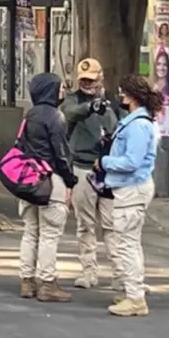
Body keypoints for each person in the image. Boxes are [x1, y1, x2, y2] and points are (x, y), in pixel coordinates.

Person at [97, 74, 161, 317]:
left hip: (131, 187)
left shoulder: (137, 125)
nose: (120, 97)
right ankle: (131, 291)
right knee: (129, 242)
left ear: (132, 96)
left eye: (123, 93)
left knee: (127, 244)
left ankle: (135, 297)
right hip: (132, 186)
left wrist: (104, 162)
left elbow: (131, 161)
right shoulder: (141, 122)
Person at [16, 72, 78, 303]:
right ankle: (48, 283)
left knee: (31, 231)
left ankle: (27, 280)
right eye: (60, 87)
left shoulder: (29, 115)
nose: (63, 91)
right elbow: (61, 154)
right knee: (50, 234)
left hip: (28, 180)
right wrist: (70, 181)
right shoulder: (55, 117)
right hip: (51, 181)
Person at [60, 58, 119, 290]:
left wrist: (105, 107)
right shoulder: (72, 100)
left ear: (101, 78)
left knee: (112, 224)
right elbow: (69, 114)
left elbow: (117, 128)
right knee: (85, 224)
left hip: (107, 170)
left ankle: (119, 273)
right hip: (82, 167)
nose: (87, 84)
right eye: (83, 80)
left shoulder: (112, 100)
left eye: (91, 80)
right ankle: (89, 272)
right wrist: (89, 107)